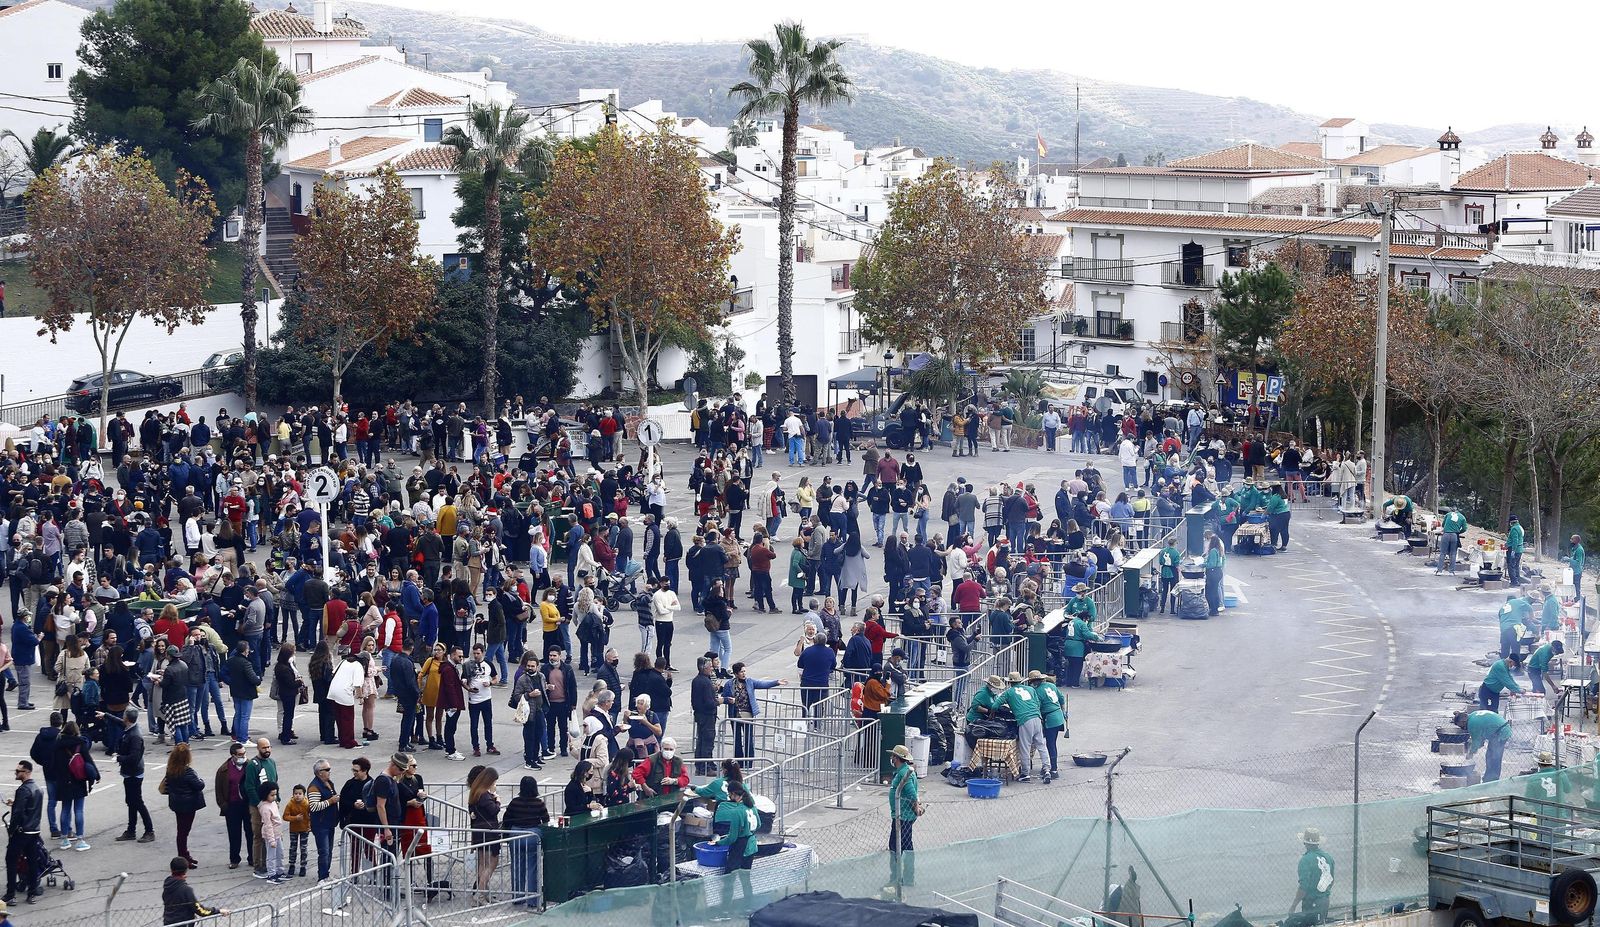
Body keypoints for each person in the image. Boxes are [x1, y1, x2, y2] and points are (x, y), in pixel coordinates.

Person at [723, 663, 785, 766]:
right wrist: (728, 700)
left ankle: (749, 763)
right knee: (737, 740)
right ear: (736, 673)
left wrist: (776, 682)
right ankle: (739, 763)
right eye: (741, 672)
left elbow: (762, 684)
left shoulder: (749, 682)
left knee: (748, 739)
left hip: (747, 714)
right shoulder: (729, 684)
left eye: (744, 671)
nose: (744, 674)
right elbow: (724, 697)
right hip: (735, 714)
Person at [50, 719, 95, 852]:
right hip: (78, 780)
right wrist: (95, 776)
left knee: (65, 809)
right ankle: (80, 839)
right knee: (79, 810)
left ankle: (64, 839)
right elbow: (88, 761)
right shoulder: (80, 744)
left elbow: (52, 764)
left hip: (63, 781)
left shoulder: (57, 744)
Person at [3, 760, 44, 904]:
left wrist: (12, 830)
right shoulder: (38, 789)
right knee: (32, 862)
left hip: (22, 832)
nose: (16, 773)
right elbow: (31, 808)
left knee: (11, 860)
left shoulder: (23, 790)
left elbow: (18, 814)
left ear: (26, 772)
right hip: (34, 831)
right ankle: (32, 893)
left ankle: (10, 894)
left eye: (18, 771)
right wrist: (15, 802)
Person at [502, 776, 548, 903]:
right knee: (533, 867)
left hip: (516, 834)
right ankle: (533, 900)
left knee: (516, 866)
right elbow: (546, 820)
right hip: (533, 835)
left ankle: (518, 897)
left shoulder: (514, 802)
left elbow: (507, 819)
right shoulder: (539, 803)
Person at [713, 780, 759, 904]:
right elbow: (758, 824)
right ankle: (748, 906)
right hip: (751, 844)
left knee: (729, 879)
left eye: (730, 795)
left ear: (733, 794)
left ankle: (726, 909)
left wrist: (718, 843)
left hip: (739, 847)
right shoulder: (752, 807)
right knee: (746, 879)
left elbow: (732, 838)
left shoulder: (737, 811)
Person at [161, 742, 206, 869]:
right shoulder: (188, 772)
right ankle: (183, 856)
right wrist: (201, 780)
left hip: (176, 803)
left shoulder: (171, 769)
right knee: (183, 832)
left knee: (181, 830)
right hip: (188, 804)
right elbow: (199, 785)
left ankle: (185, 854)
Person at [114, 708, 156, 843]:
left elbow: (134, 757)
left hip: (134, 773)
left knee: (137, 802)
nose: (122, 717)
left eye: (124, 715)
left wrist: (119, 758)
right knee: (131, 802)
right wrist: (105, 715)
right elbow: (118, 721)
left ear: (127, 718)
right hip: (129, 773)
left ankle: (149, 831)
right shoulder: (129, 728)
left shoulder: (135, 735)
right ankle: (131, 830)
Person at [887, 743, 919, 888]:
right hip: (901, 815)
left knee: (898, 846)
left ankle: (899, 878)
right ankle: (904, 877)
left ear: (897, 758)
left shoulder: (903, 773)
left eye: (893, 756)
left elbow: (912, 794)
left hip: (903, 816)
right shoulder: (903, 771)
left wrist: (916, 809)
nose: (891, 758)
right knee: (903, 845)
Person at [162, 855, 228, 925]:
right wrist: (218, 911)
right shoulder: (186, 890)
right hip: (183, 923)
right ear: (186, 870)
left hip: (168, 922)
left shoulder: (168, 884)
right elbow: (200, 910)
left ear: (171, 869)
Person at [1288, 827, 1334, 924]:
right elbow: (1331, 880)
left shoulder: (1305, 860)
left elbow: (1303, 887)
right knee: (1321, 923)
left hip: (1311, 903)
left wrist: (1293, 905)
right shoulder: (1329, 857)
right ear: (1318, 843)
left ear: (1305, 843)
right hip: (1325, 901)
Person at [1028, 670, 1066, 783]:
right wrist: (1063, 711)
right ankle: (1050, 766)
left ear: (1034, 681)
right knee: (1052, 742)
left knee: (1050, 744)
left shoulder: (1036, 691)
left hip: (1050, 718)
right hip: (1058, 715)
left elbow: (1036, 707)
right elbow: (1061, 698)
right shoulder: (1051, 685)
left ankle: (1053, 769)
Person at [468, 766, 501, 891]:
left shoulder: (475, 792)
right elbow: (493, 810)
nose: (494, 784)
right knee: (490, 863)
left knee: (483, 864)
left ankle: (482, 892)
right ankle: (481, 893)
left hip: (479, 832)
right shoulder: (484, 794)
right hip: (488, 833)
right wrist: (497, 800)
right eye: (494, 781)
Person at [1456, 708, 1512, 782]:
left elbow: (1476, 742)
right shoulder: (1472, 716)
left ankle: (1493, 779)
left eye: (1460, 726)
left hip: (1501, 733)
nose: (1462, 728)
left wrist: (1470, 753)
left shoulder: (1472, 723)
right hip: (1498, 730)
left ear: (1462, 721)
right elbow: (1480, 739)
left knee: (1494, 756)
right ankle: (1488, 778)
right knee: (1489, 755)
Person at [307, 760, 341, 881]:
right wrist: (331, 801)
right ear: (319, 772)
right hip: (321, 825)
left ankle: (326, 874)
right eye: (327, 770)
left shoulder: (328, 783)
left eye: (329, 769)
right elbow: (314, 806)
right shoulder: (314, 787)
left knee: (329, 851)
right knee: (324, 852)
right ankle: (322, 877)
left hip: (329, 822)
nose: (329, 771)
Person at [255, 781, 286, 883]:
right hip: (271, 835)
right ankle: (271, 874)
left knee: (280, 854)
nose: (274, 797)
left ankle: (280, 871)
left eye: (275, 794)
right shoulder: (265, 808)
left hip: (277, 833)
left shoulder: (273, 803)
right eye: (272, 795)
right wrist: (271, 840)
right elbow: (268, 825)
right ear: (265, 795)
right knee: (271, 856)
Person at [283, 783, 311, 878]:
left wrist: (310, 825)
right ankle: (292, 865)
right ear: (293, 794)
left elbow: (311, 816)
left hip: (304, 829)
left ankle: (303, 866)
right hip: (294, 829)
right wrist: (295, 818)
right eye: (296, 794)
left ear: (304, 795)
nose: (297, 796)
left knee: (303, 848)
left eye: (300, 794)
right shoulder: (290, 804)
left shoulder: (307, 804)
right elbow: (285, 816)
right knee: (293, 848)